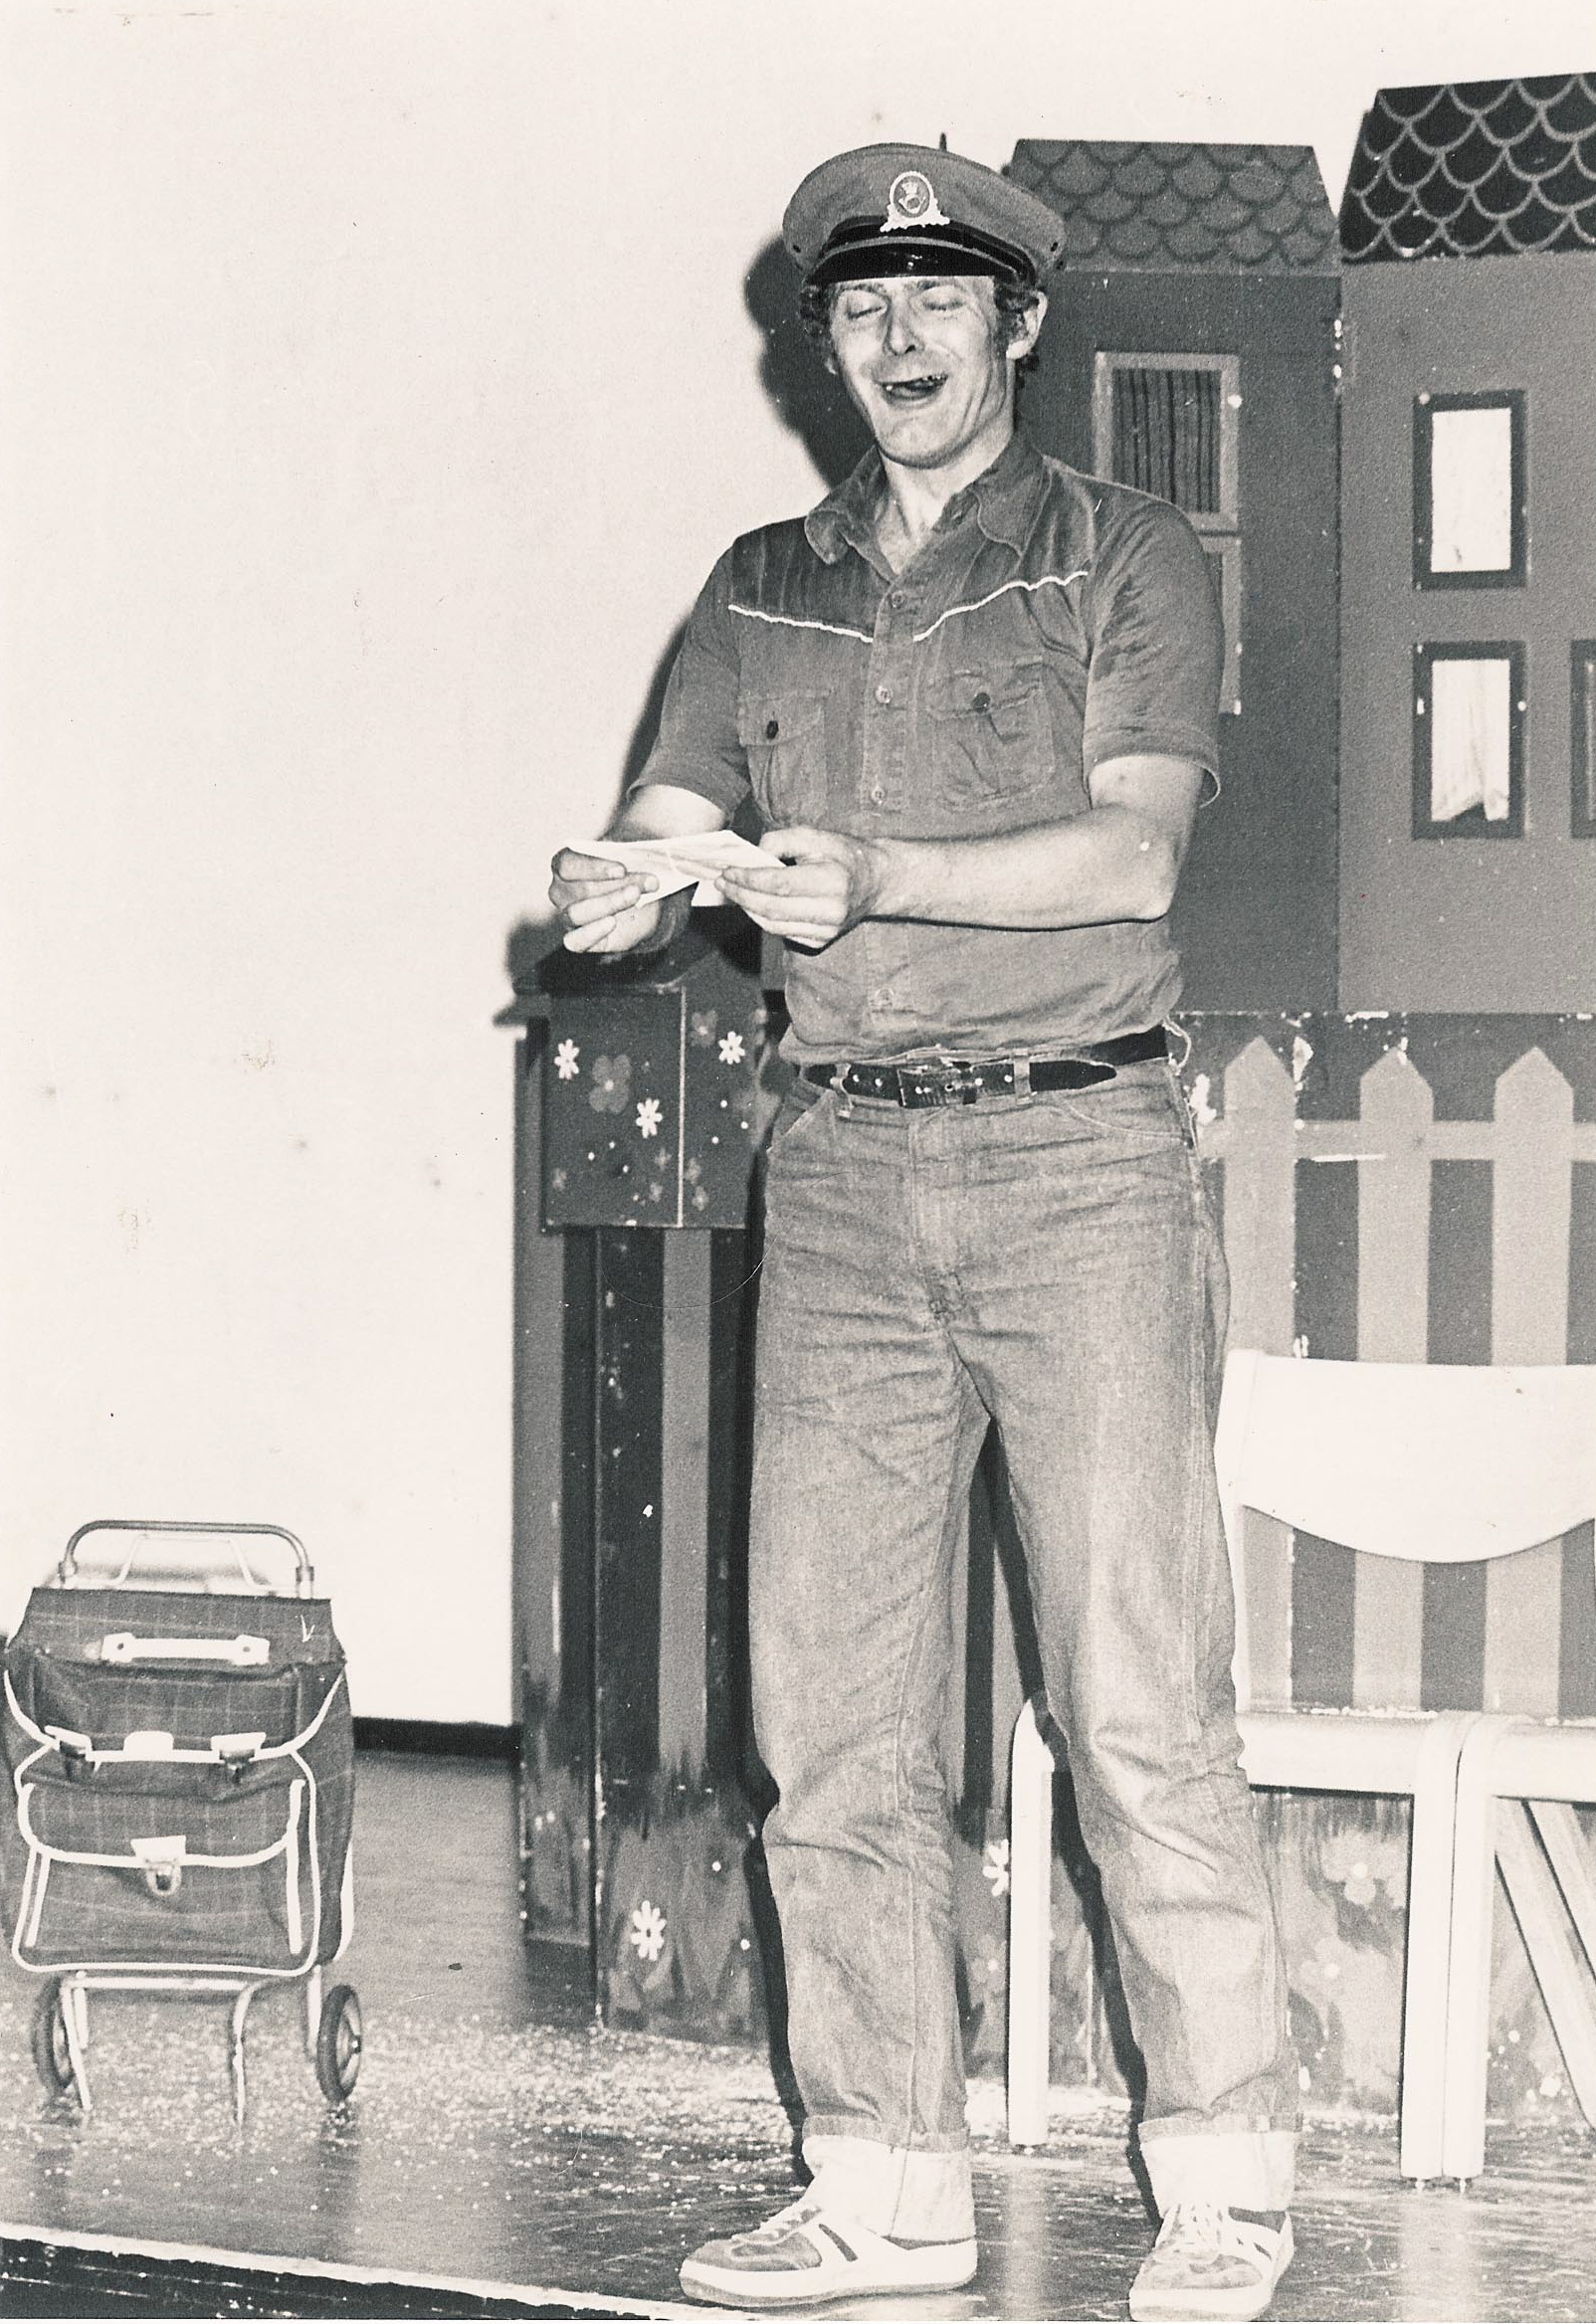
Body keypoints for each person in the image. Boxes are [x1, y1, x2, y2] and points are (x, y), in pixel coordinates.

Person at [549, 142, 1298, 2322]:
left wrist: (875, 874)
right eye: (859, 307)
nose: (896, 338)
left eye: (938, 299)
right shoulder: (756, 585)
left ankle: (1225, 2188)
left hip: (1082, 1164)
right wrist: (620, 887)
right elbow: (669, 820)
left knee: (1138, 1697)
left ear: (1016, 327)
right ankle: (883, 2190)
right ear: (826, 343)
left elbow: (1133, 860)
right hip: (843, 1180)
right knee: (837, 1724)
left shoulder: (1126, 553)